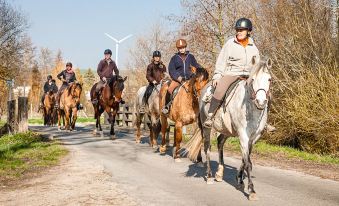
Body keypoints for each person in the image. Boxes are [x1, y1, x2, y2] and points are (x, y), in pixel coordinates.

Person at [203, 18, 275, 132]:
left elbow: (257, 66)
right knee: (220, 89)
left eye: (242, 30)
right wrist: (217, 75)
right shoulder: (230, 44)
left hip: (248, 76)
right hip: (232, 74)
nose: (239, 32)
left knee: (267, 94)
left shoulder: (253, 47)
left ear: (248, 31)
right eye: (237, 30)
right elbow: (221, 60)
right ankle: (210, 116)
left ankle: (265, 122)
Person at [162, 39, 200, 114]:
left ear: (185, 47)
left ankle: (199, 108)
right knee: (170, 89)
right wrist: (179, 78)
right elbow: (171, 70)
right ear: (178, 49)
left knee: (198, 89)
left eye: (183, 47)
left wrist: (200, 70)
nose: (181, 49)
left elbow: (196, 66)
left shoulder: (191, 57)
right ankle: (167, 107)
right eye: (180, 48)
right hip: (178, 80)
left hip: (190, 80)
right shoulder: (174, 58)